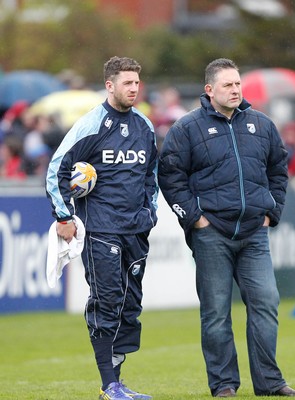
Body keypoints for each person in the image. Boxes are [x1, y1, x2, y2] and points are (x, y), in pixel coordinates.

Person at [158, 58, 295, 398]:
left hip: (255, 232)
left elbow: (278, 171)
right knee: (215, 313)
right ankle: (224, 384)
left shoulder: (262, 124)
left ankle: (269, 383)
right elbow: (170, 177)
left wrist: (274, 211)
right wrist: (194, 217)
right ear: (209, 90)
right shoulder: (186, 129)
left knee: (267, 303)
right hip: (212, 234)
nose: (236, 90)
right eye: (228, 85)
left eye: (238, 84)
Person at [46, 56, 158, 400]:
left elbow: (151, 176)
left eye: (137, 83)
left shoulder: (145, 126)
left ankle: (118, 383)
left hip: (136, 230)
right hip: (102, 230)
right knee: (107, 302)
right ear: (110, 85)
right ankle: (109, 384)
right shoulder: (90, 126)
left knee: (130, 307)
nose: (134, 89)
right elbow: (56, 170)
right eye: (127, 83)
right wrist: (64, 217)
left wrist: (150, 214)